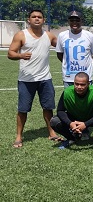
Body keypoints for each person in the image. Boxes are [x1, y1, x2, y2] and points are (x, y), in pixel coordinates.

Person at [8, 9, 60, 148]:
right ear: (28, 20)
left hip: (45, 78)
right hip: (26, 80)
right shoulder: (21, 35)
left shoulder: (49, 36)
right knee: (23, 109)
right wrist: (20, 55)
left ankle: (52, 132)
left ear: (43, 20)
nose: (37, 19)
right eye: (33, 17)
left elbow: (62, 46)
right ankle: (19, 136)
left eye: (39, 17)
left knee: (48, 107)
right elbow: (10, 53)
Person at [50, 72, 93, 149]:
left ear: (88, 84)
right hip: (73, 119)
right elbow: (60, 111)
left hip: (90, 118)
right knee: (54, 121)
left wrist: (85, 124)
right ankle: (71, 138)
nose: (79, 87)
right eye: (76, 84)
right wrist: (70, 123)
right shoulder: (67, 92)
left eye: (82, 84)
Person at [56, 10, 93, 88]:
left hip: (86, 78)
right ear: (68, 22)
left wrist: (87, 65)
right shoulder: (62, 36)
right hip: (68, 78)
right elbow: (60, 54)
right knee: (69, 99)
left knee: (86, 100)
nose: (74, 22)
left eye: (77, 20)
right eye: (72, 20)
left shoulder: (90, 36)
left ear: (82, 21)